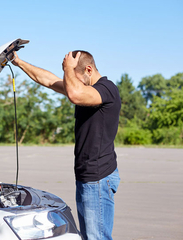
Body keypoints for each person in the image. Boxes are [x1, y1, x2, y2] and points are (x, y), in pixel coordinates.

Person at [12, 50, 121, 240]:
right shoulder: (84, 90)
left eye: (75, 77)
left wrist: (68, 68)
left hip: (98, 178)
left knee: (96, 237)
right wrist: (18, 62)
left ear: (89, 69)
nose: (73, 83)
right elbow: (48, 80)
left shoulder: (106, 89)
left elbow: (75, 94)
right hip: (89, 177)